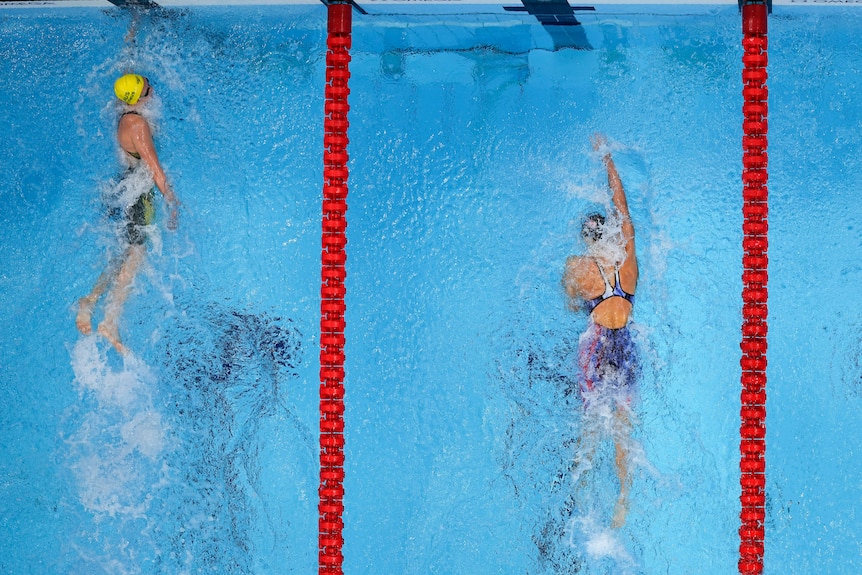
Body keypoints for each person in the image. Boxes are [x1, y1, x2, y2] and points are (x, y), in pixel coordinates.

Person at [562, 134, 639, 529]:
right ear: (610, 233)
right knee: (623, 428)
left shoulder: (578, 267)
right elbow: (623, 206)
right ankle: (623, 501)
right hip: (625, 347)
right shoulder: (629, 263)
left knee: (590, 423)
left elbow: (572, 305)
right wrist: (608, 158)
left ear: (585, 238)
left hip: (595, 348)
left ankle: (580, 496)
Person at [76, 73, 179, 355]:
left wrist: (132, 29)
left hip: (122, 186)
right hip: (138, 195)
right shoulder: (139, 125)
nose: (152, 86)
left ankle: (91, 299)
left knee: (124, 251)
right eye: (148, 86)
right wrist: (173, 203)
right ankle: (110, 321)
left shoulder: (123, 113)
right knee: (136, 255)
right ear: (141, 97)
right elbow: (155, 170)